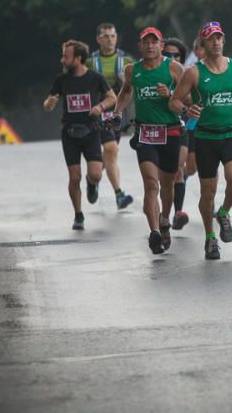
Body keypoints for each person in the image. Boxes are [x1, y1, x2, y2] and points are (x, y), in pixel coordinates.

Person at [170, 22, 232, 260]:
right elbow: (175, 101)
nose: (216, 41)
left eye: (219, 37)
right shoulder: (194, 72)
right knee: (208, 192)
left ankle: (224, 212)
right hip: (205, 136)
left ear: (223, 40)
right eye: (211, 38)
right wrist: (186, 111)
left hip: (231, 134)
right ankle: (210, 238)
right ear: (203, 44)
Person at [115, 27, 184, 254]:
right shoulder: (131, 70)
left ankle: (164, 218)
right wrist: (117, 112)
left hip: (171, 132)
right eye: (146, 42)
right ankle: (154, 232)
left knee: (167, 185)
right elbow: (126, 92)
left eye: (155, 42)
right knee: (151, 184)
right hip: (145, 133)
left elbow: (189, 97)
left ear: (162, 45)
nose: (151, 46)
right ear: (140, 46)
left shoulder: (174, 68)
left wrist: (170, 95)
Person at [43, 40, 123, 230]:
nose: (62, 60)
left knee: (95, 174)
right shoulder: (61, 80)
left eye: (66, 56)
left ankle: (92, 183)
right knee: (74, 176)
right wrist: (50, 103)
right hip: (69, 133)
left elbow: (112, 97)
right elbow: (47, 103)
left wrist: (100, 106)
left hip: (91, 131)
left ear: (78, 59)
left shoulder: (95, 78)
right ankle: (78, 215)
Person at [88, 23, 134, 210]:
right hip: (99, 108)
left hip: (118, 111)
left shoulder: (126, 60)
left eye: (113, 36)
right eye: (106, 36)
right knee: (111, 148)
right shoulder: (90, 62)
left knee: (110, 153)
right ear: (98, 39)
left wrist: (128, 82)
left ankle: (93, 178)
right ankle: (119, 194)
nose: (110, 40)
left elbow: (136, 84)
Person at [161, 37, 193, 229]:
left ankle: (178, 212)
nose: (173, 59)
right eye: (168, 55)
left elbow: (191, 100)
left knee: (179, 168)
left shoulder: (188, 75)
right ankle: (162, 214)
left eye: (177, 56)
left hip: (180, 127)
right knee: (164, 178)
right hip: (156, 131)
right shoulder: (154, 72)